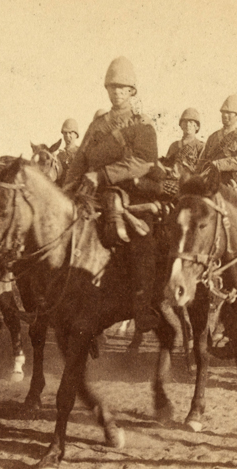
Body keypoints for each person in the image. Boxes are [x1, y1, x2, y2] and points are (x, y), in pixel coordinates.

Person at [64, 56, 160, 332]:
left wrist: (103, 175)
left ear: (132, 91)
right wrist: (69, 186)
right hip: (93, 191)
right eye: (111, 87)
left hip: (133, 192)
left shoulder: (142, 124)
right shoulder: (98, 125)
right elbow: (80, 159)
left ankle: (142, 308)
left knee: (143, 240)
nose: (116, 91)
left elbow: (144, 160)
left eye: (122, 87)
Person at [199, 95, 237, 190]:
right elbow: (202, 162)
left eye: (229, 113)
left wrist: (219, 164)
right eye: (223, 112)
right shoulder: (213, 137)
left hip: (231, 184)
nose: (224, 115)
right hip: (210, 181)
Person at [164, 108, 205, 173]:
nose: (188, 124)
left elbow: (202, 170)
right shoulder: (174, 145)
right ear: (181, 125)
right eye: (185, 121)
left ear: (197, 126)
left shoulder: (201, 147)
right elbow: (166, 166)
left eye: (191, 122)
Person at [56, 118, 79, 186]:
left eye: (70, 133)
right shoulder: (59, 156)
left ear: (76, 134)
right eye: (65, 133)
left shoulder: (80, 152)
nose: (67, 136)